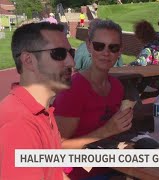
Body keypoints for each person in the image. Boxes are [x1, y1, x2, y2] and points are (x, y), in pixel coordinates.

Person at [53, 19, 133, 179]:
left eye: (113, 47)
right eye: (99, 46)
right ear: (89, 46)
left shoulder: (117, 87)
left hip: (114, 168)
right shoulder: (73, 89)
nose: (106, 52)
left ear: (120, 51)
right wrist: (108, 130)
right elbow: (56, 149)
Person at [0, 22, 74, 180]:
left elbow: (56, 173)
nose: (71, 62)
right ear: (28, 60)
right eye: (59, 54)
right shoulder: (19, 124)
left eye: (70, 53)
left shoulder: (42, 110)